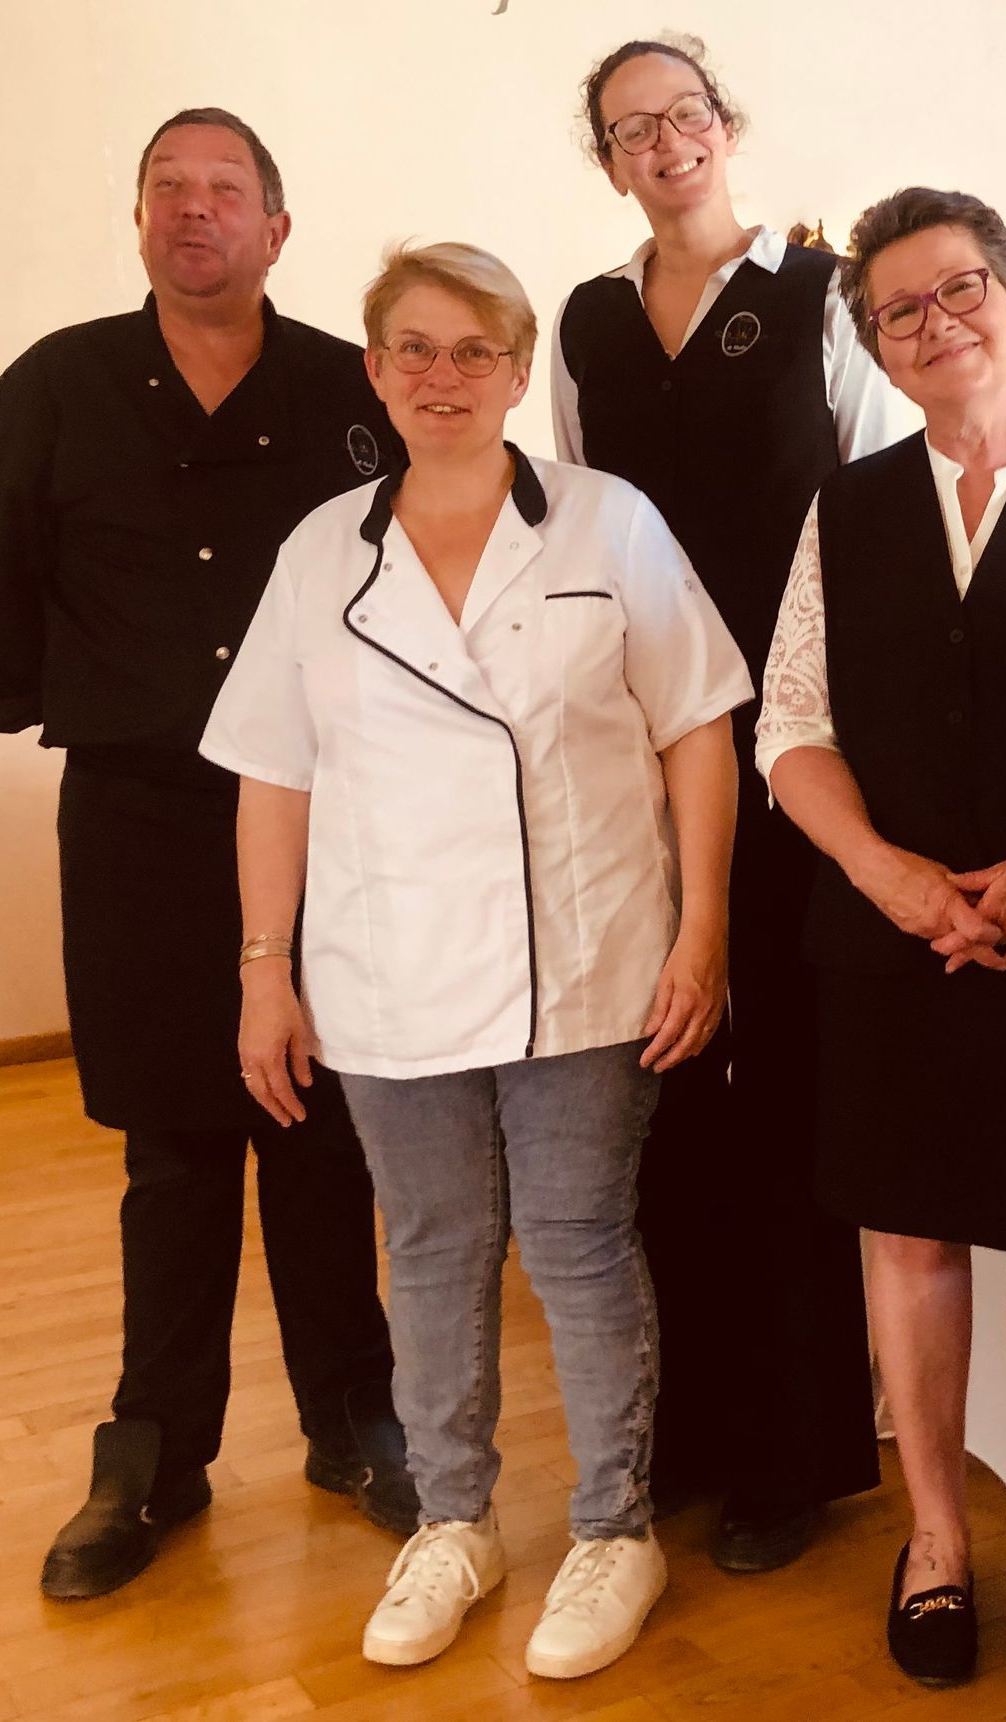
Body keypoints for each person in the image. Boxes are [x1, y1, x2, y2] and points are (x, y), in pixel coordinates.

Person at [199, 241, 752, 1676]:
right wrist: (267, 965)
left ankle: (611, 1526)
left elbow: (698, 722)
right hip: (390, 969)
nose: (441, 378)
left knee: (577, 1242)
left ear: (518, 372)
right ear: (374, 369)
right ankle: (454, 1518)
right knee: (435, 1250)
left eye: (472, 352)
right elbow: (274, 769)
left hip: (587, 954)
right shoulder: (323, 550)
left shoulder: (604, 522)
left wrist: (704, 924)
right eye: (413, 350)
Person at [0, 107, 414, 1603]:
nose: (195, 211)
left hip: (325, 815)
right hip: (136, 824)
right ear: (136, 223)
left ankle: (354, 1421)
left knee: (323, 1133)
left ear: (277, 229)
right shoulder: (53, 385)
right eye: (168, 189)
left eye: (225, 190)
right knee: (172, 1148)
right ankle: (155, 1454)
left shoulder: (348, 390)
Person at [759, 186, 1006, 1687]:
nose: (934, 322)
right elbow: (790, 727)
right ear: (876, 351)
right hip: (888, 939)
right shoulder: (843, 507)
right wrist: (881, 872)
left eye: (958, 288)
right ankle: (932, 1539)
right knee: (906, 1233)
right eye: (896, 310)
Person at [552, 34, 907, 1571]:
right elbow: (590, 537)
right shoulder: (580, 323)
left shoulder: (825, 294)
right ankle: (685, 1428)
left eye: (683, 115)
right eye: (630, 128)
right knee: (666, 1090)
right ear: (608, 157)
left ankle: (795, 1447)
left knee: (788, 1098)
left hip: (797, 749)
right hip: (644, 759)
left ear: (726, 127)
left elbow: (879, 515)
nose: (663, 143)